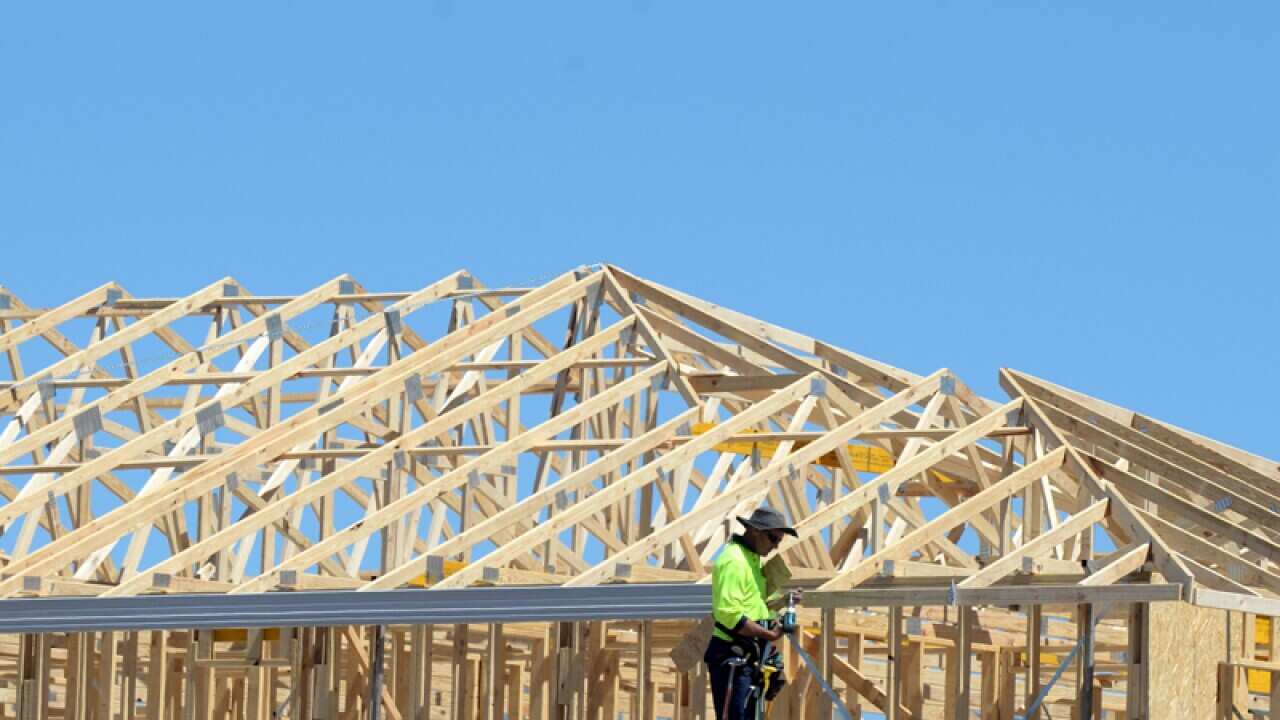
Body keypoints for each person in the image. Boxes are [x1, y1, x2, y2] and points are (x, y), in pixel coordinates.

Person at [704, 506, 801, 719]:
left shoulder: (751, 559)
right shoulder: (734, 560)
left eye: (779, 542)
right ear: (755, 531)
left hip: (750, 657)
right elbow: (729, 614)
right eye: (773, 539)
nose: (775, 546)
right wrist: (770, 635)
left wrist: (784, 601)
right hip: (732, 654)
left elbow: (754, 603)